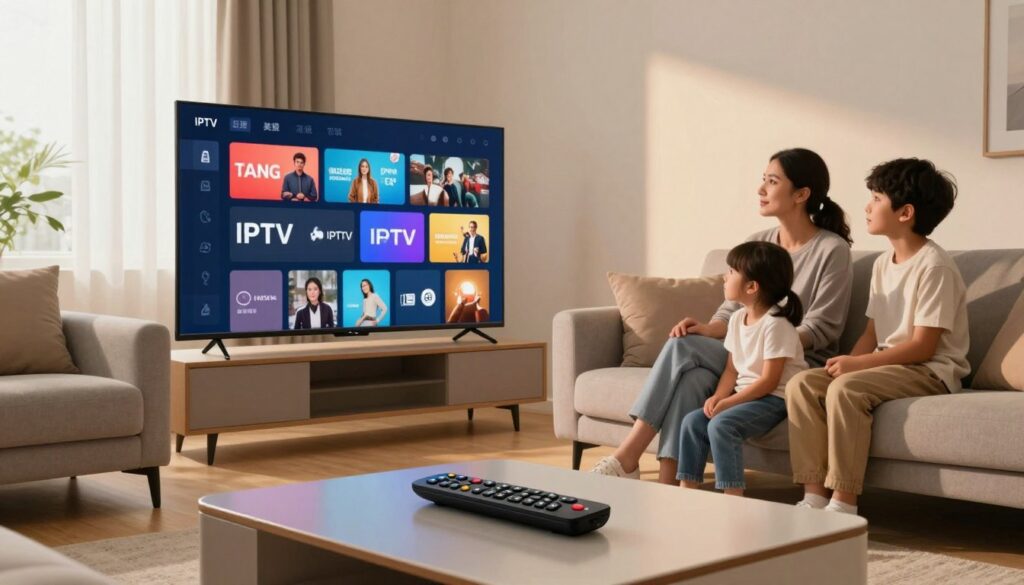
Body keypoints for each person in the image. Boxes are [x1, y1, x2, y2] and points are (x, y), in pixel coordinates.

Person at [591, 148, 854, 484]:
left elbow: (824, 327)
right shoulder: (757, 241)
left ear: (802, 194)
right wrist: (709, 328)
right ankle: (673, 482)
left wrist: (764, 336)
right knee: (692, 373)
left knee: (682, 349)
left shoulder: (832, 250)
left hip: (794, 362)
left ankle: (628, 455)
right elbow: (731, 310)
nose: (761, 189)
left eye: (772, 182)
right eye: (763, 180)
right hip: (745, 355)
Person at [786, 158, 968, 515]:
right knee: (803, 384)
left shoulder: (935, 267)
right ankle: (814, 496)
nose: (867, 207)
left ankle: (844, 502)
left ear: (905, 212)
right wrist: (847, 363)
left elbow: (923, 346)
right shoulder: (884, 263)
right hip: (890, 365)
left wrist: (857, 368)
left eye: (876, 198)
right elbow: (872, 330)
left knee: (847, 389)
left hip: (930, 370)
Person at [677, 241, 807, 496]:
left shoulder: (776, 324)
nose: (725, 278)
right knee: (692, 421)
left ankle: (733, 498)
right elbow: (731, 370)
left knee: (722, 425)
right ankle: (686, 492)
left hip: (776, 399)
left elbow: (770, 381)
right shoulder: (736, 319)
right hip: (747, 396)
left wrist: (730, 403)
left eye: (731, 273)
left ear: (752, 286)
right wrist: (718, 397)